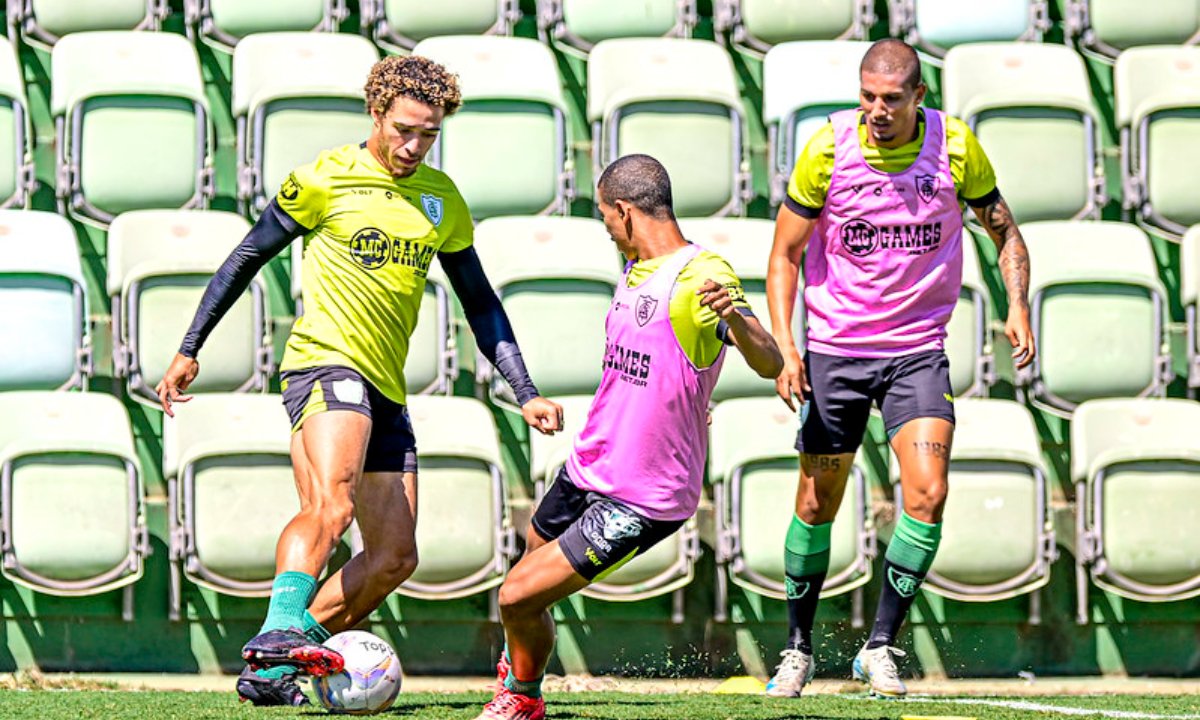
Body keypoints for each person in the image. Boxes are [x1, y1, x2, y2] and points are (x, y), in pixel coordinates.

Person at [155, 55, 563, 707]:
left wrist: (526, 390)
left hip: (387, 390)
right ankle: (279, 630)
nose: (413, 144)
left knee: (395, 558)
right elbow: (246, 257)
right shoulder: (324, 178)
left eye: (427, 134)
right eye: (404, 129)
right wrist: (189, 347)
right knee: (332, 505)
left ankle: (276, 662)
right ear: (376, 114)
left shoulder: (442, 199)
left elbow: (481, 303)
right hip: (324, 364)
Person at [763, 39, 1035, 699]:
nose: (876, 111)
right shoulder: (828, 149)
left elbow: (1006, 233)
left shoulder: (956, 147)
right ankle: (797, 649)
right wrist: (786, 347)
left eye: (890, 99)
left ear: (918, 96)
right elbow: (783, 256)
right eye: (868, 97)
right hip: (837, 349)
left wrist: (1017, 305)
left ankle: (879, 646)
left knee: (929, 494)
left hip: (916, 350)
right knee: (814, 502)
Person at [472, 154, 783, 720]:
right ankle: (521, 677)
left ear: (625, 211)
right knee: (526, 579)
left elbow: (768, 359)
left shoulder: (700, 276)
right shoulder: (634, 269)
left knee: (515, 596)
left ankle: (522, 695)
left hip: (642, 493)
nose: (606, 228)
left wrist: (737, 320)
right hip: (589, 462)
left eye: (606, 217)